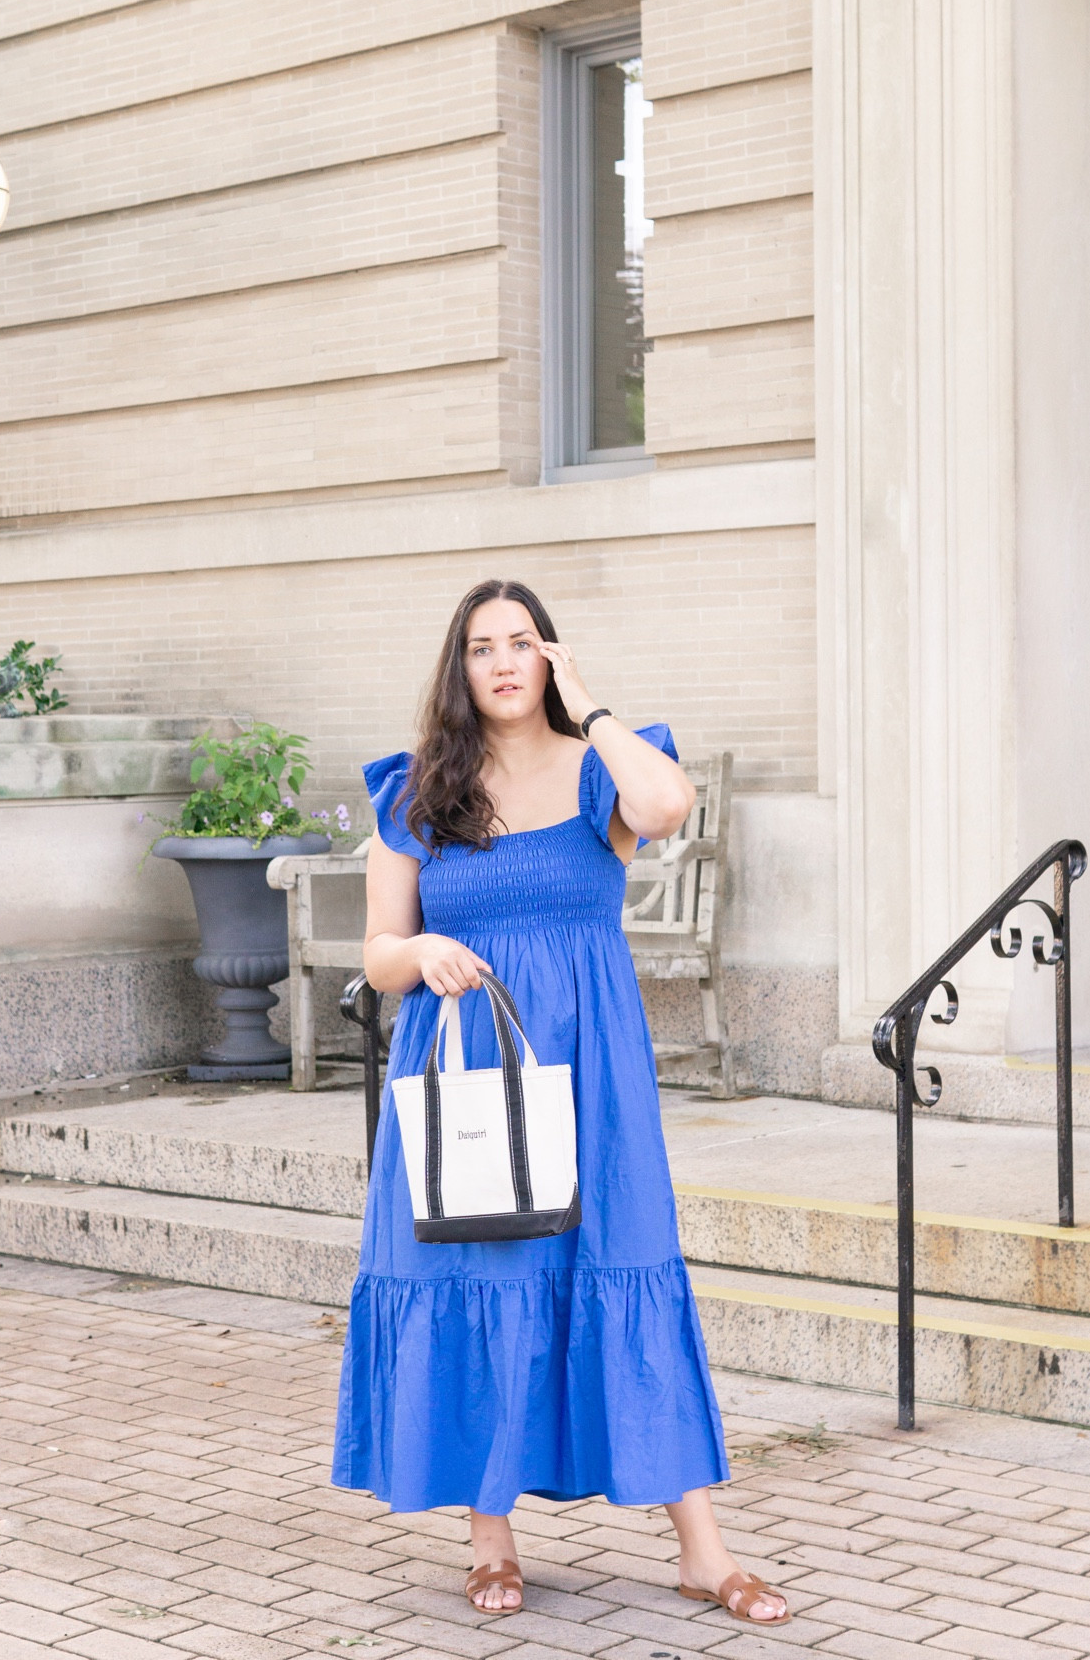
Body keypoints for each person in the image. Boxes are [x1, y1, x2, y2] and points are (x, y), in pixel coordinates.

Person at [331, 578, 791, 1630]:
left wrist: (593, 707)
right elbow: (379, 951)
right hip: (467, 1066)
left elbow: (669, 807)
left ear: (549, 658)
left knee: (622, 1261)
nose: (502, 660)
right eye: (482, 644)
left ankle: (701, 1549)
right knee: (490, 1271)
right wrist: (422, 948)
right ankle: (490, 1538)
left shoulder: (600, 771)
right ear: (459, 665)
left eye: (523, 642)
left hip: (592, 1071)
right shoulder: (417, 794)